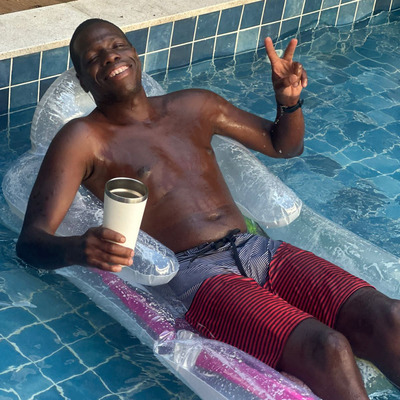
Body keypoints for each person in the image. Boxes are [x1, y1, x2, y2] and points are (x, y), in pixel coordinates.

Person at [16, 18, 400, 400]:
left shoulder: (194, 105)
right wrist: (77, 248)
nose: (110, 57)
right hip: (193, 275)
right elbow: (30, 242)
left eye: (117, 46)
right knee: (327, 348)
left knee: (390, 317)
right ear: (83, 80)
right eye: (93, 57)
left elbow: (283, 145)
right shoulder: (83, 139)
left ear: (134, 52)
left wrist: (289, 103)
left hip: (257, 247)